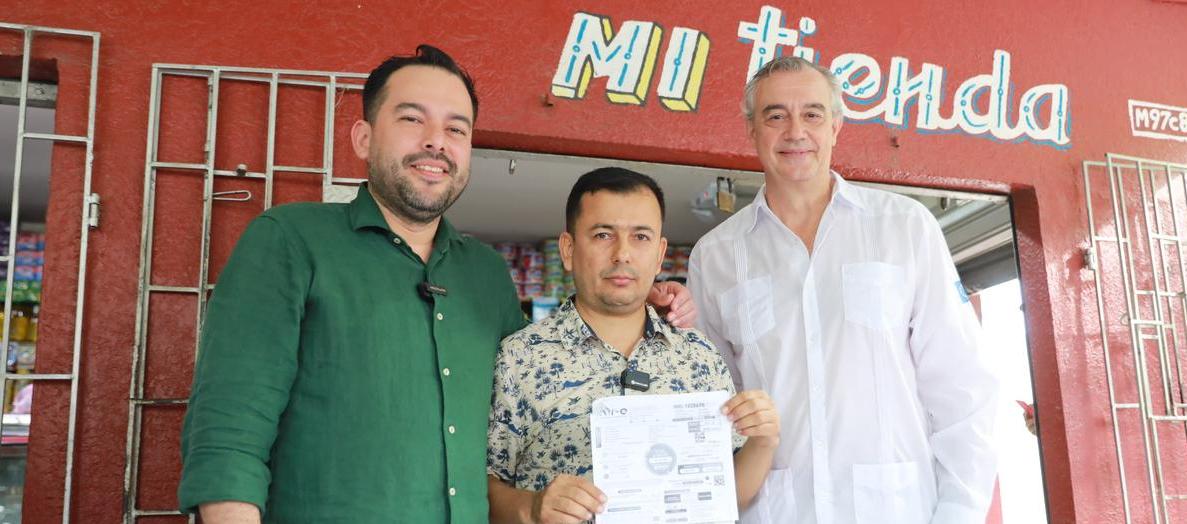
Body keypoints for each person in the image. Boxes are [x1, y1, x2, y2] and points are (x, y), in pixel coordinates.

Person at [177, 46, 695, 523]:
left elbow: (548, 373)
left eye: (456, 129)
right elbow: (228, 435)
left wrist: (636, 300)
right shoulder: (291, 241)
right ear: (363, 137)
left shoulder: (486, 274)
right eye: (411, 119)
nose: (435, 142)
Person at [688, 56, 999, 524]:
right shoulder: (715, 256)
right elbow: (712, 403)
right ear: (751, 130)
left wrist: (959, 514)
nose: (795, 131)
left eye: (812, 114)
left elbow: (962, 388)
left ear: (835, 127)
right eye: (775, 115)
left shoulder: (904, 227)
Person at [486, 167, 780, 524]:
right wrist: (531, 508)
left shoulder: (698, 356)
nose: (622, 254)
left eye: (640, 237)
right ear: (568, 249)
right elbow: (481, 488)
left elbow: (726, 495)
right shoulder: (520, 358)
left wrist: (763, 440)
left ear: (659, 254)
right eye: (603, 235)